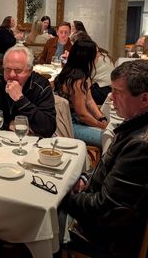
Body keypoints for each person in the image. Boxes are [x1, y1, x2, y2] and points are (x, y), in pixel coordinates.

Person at [61, 60, 148, 257]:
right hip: (108, 218)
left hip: (109, 238)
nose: (110, 97)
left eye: (117, 92)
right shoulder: (133, 126)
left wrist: (63, 197)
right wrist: (85, 178)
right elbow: (107, 166)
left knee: (48, 208)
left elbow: (104, 208)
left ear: (144, 99)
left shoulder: (140, 145)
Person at [0, 45, 56, 137]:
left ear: (30, 71)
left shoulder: (41, 86)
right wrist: (7, 125)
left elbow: (48, 129)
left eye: (18, 70)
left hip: (30, 141)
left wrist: (20, 99)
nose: (11, 75)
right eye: (7, 69)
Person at [54, 39, 107, 147]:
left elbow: (89, 101)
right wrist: (101, 125)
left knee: (111, 131)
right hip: (68, 124)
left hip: (75, 120)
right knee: (110, 138)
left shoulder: (80, 74)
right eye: (97, 53)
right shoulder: (77, 81)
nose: (99, 56)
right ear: (87, 57)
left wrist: (101, 118)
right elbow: (82, 115)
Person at [71, 31, 115, 105]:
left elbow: (81, 75)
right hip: (109, 89)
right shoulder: (100, 52)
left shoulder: (91, 56)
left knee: (75, 92)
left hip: (102, 91)